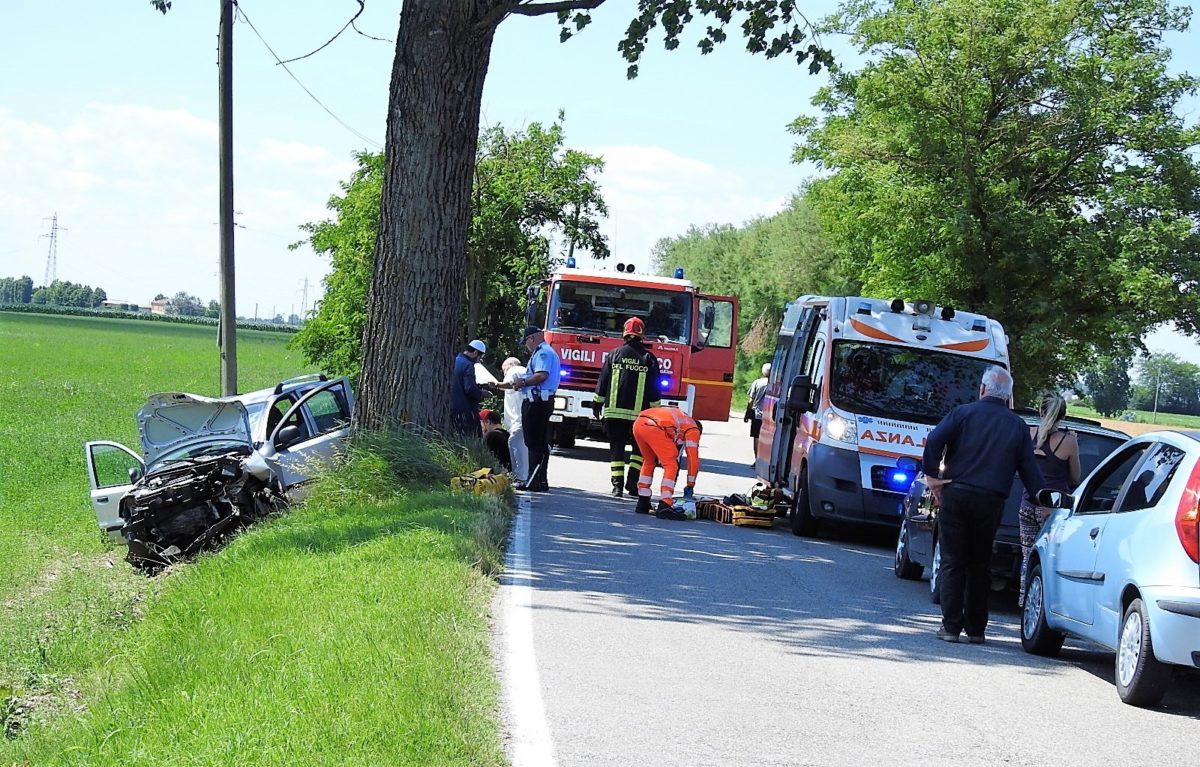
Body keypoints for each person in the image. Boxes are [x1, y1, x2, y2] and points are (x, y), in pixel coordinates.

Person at [922, 366, 1046, 644]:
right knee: (979, 564)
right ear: (1008, 396)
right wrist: (1042, 498)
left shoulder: (963, 413)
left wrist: (932, 475)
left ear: (982, 389)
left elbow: (934, 439)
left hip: (956, 492)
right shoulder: (1017, 426)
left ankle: (951, 627)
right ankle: (976, 630)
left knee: (953, 561)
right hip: (990, 500)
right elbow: (1029, 467)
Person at [1017, 392, 1081, 607]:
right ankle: (1047, 606)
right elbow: (1075, 477)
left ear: (1040, 411)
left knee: (1027, 558)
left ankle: (1024, 602)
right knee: (1051, 561)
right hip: (1054, 511)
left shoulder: (1028, 434)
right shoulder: (1068, 441)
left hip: (1027, 505)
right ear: (1063, 416)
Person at [592, 317, 661, 497]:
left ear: (625, 333)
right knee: (639, 451)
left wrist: (597, 404)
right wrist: (656, 411)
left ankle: (617, 487)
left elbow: (603, 383)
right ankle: (633, 484)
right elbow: (655, 388)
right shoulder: (649, 358)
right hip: (641, 416)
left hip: (614, 414)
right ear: (642, 335)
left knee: (617, 450)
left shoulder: (613, 354)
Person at [503, 325, 562, 492]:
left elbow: (542, 375)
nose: (526, 346)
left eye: (526, 341)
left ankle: (532, 480)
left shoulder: (543, 352)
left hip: (536, 403)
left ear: (532, 338)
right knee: (540, 442)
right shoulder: (544, 352)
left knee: (533, 442)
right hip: (542, 402)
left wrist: (524, 382)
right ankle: (540, 480)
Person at [632, 405, 702, 520]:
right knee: (671, 465)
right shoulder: (693, 429)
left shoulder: (682, 418)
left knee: (649, 461)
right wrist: (690, 484)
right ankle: (665, 504)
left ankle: (643, 501)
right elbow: (693, 459)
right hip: (655, 426)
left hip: (639, 423)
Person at [449, 339, 489, 438]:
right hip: (465, 410)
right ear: (475, 353)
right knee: (473, 437)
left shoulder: (454, 360)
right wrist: (481, 393)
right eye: (480, 356)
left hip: (451, 408)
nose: (480, 360)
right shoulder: (468, 365)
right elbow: (469, 388)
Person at [501, 356, 529, 484]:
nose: (504, 373)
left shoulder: (514, 370)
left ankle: (520, 477)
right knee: (523, 445)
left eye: (504, 369)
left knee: (515, 442)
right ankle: (526, 475)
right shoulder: (525, 371)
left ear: (510, 365)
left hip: (520, 418)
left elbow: (507, 385)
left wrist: (495, 384)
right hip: (524, 416)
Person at [745, 363, 771, 463]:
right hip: (770, 416)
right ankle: (766, 460)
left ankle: (757, 460)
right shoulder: (777, 384)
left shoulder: (757, 383)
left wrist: (747, 413)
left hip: (757, 414)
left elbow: (751, 400)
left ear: (763, 372)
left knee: (756, 437)